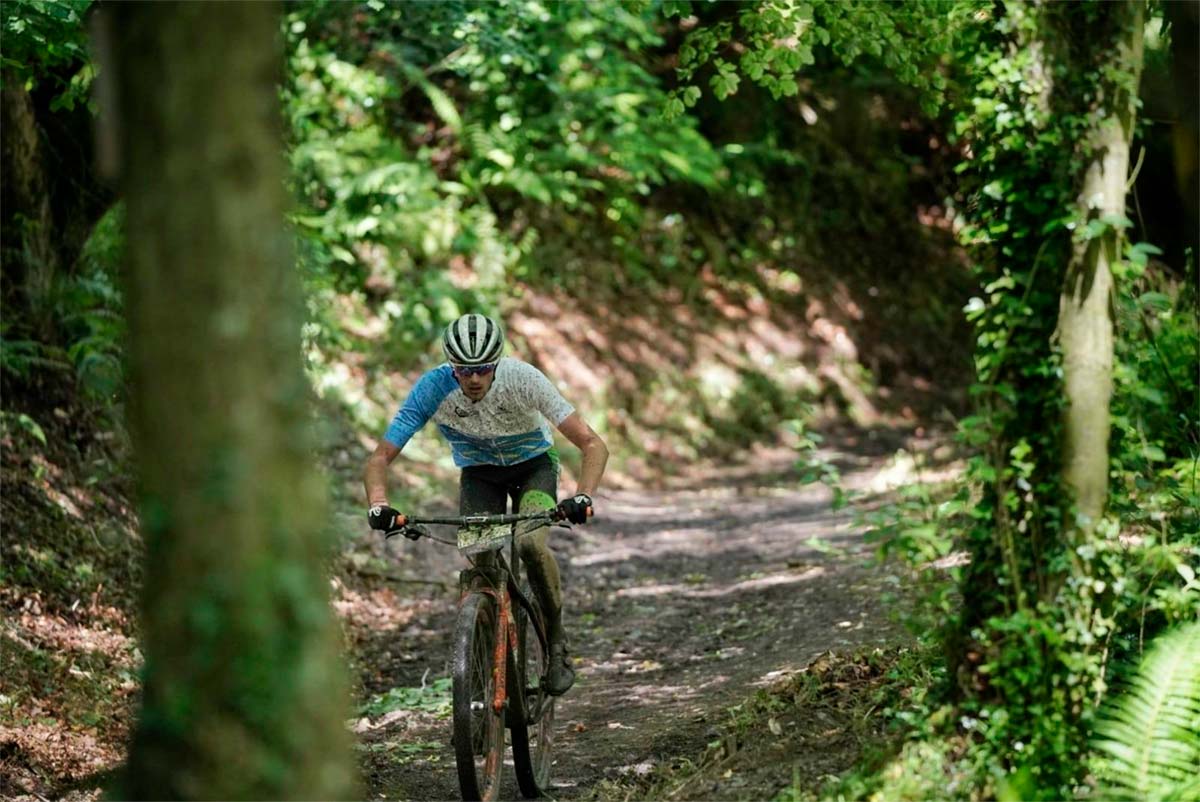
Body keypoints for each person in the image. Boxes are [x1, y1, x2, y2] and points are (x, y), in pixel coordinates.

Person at [363, 312, 608, 696]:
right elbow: (379, 459)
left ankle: (557, 642)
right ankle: (483, 676)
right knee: (481, 558)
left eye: (483, 368)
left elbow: (593, 445)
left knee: (529, 544)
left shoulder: (523, 379)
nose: (474, 378)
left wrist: (583, 495)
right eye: (464, 370)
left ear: (497, 364)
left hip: (534, 469)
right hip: (480, 475)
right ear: (451, 366)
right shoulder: (432, 389)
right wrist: (379, 504)